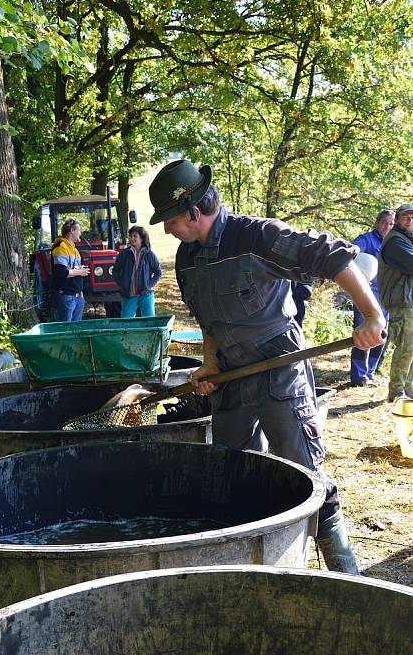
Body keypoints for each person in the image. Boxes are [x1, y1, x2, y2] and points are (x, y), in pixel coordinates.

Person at [149, 159, 386, 575]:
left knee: (306, 471)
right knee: (231, 472)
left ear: (193, 212)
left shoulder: (256, 236)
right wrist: (209, 364)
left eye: (170, 220)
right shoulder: (187, 260)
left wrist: (372, 315)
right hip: (231, 380)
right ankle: (253, 567)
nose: (167, 230)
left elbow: (333, 256)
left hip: (280, 369)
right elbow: (208, 320)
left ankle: (344, 571)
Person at [349, 210, 394, 387]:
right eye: (384, 222)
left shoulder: (394, 243)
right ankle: (358, 376)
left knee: (382, 334)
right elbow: (351, 252)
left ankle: (370, 372)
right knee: (365, 333)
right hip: (366, 297)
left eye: (391, 224)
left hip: (387, 297)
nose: (387, 227)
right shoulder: (366, 239)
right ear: (377, 223)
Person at [377, 203, 413, 402]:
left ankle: (409, 389)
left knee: (411, 347)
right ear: (397, 220)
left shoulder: (407, 239)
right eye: (406, 217)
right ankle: (397, 391)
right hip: (402, 302)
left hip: (409, 301)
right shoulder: (395, 242)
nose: (410, 220)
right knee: (406, 347)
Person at [113, 225, 162, 318]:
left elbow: (158, 272)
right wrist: (123, 285)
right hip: (128, 295)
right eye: (131, 236)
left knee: (149, 321)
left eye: (135, 236)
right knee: (126, 323)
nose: (132, 238)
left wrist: (149, 285)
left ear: (142, 238)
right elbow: (115, 271)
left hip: (146, 295)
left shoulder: (149, 254)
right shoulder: (124, 254)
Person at [50, 218, 90, 321]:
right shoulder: (61, 247)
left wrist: (80, 292)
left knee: (75, 330)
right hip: (66, 296)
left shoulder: (74, 249)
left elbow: (73, 269)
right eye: (79, 230)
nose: (80, 233)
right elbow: (62, 272)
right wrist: (80, 271)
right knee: (65, 330)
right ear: (72, 231)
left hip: (77, 296)